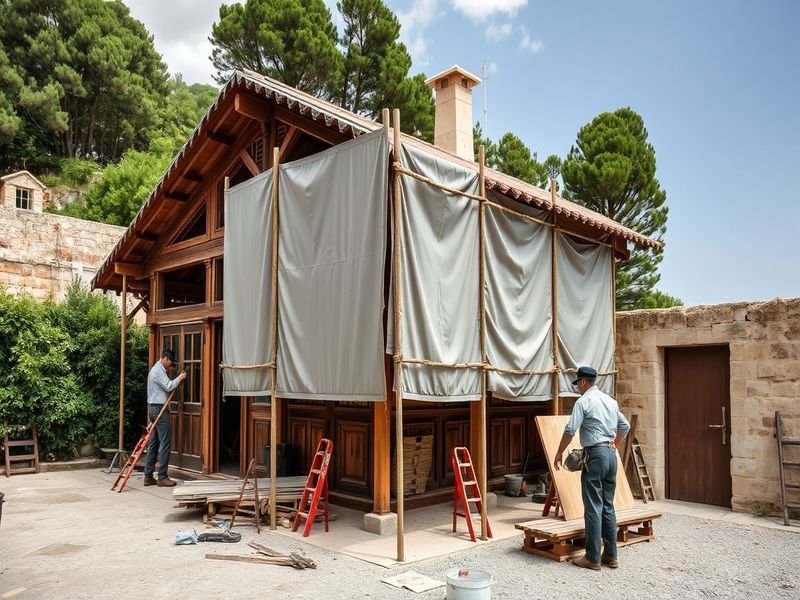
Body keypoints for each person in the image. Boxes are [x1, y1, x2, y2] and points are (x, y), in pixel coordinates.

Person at [553, 366, 630, 570]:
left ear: (584, 382)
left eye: (578, 383)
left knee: (593, 506)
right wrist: (614, 444)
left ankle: (592, 557)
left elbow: (570, 429)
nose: (578, 387)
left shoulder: (584, 401)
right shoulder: (610, 401)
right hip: (611, 456)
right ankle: (611, 556)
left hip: (595, 456)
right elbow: (625, 426)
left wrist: (559, 452)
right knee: (607, 505)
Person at [143, 348, 186, 487]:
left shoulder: (156, 370)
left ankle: (148, 476)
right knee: (165, 443)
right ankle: (162, 477)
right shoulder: (158, 371)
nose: (170, 366)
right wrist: (179, 378)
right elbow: (168, 386)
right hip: (160, 409)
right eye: (171, 362)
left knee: (154, 443)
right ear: (166, 359)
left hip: (153, 408)